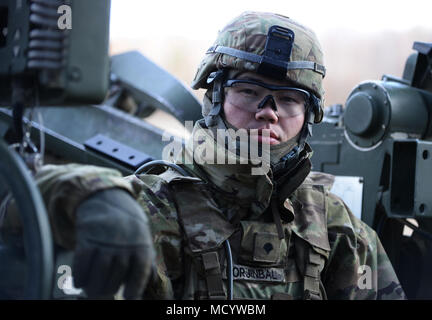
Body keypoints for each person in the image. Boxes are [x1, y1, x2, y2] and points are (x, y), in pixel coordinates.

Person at [2, 11, 405, 300]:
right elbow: (16, 206)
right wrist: (88, 193)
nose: (269, 111)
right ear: (215, 98)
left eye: (288, 100)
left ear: (309, 116)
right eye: (249, 91)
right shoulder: (149, 207)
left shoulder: (338, 229)